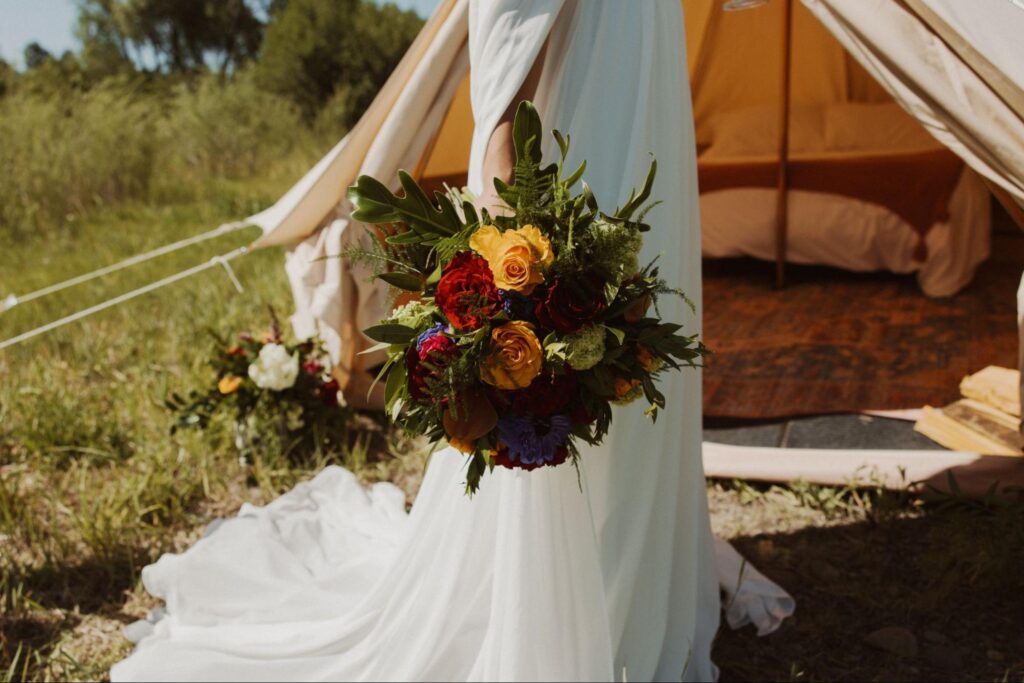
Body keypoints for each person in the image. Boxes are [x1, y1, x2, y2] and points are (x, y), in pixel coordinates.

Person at [112, 2, 792, 681]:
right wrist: (499, 139)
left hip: (643, 66)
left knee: (634, 312)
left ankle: (634, 581)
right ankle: (546, 611)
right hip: (587, 90)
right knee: (574, 335)